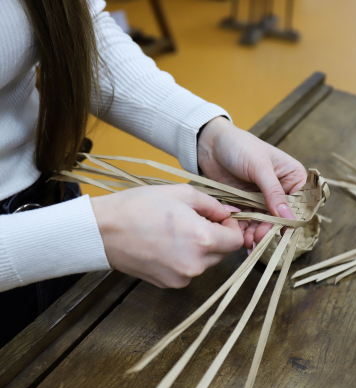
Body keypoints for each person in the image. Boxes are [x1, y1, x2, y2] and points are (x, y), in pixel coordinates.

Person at [0, 0, 307, 347]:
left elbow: (74, 26)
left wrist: (206, 134)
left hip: (54, 195)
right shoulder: (90, 231)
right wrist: (94, 232)